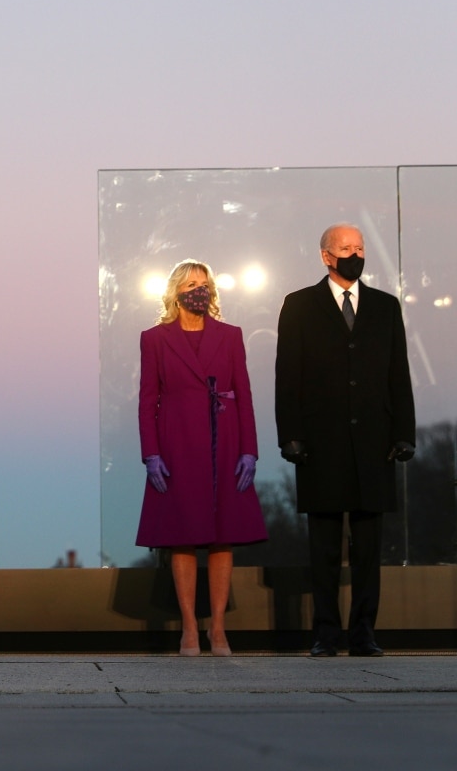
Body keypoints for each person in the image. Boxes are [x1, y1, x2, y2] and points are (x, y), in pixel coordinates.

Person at [275, 223, 416, 658]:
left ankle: (363, 633)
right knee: (323, 545)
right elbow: (287, 377)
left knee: (370, 548)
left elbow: (399, 374)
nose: (355, 254)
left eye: (360, 247)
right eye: (346, 248)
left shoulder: (385, 306)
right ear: (326, 256)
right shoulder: (299, 306)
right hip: (321, 443)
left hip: (374, 442)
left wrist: (404, 433)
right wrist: (291, 436)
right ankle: (325, 632)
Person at [136, 259, 267, 657]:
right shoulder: (154, 338)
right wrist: (151, 454)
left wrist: (249, 450)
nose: (200, 289)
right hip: (178, 443)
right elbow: (146, 401)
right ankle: (190, 630)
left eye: (205, 283)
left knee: (222, 535)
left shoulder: (230, 336)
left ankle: (219, 630)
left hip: (223, 441)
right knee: (181, 536)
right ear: (176, 291)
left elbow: (244, 394)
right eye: (192, 283)